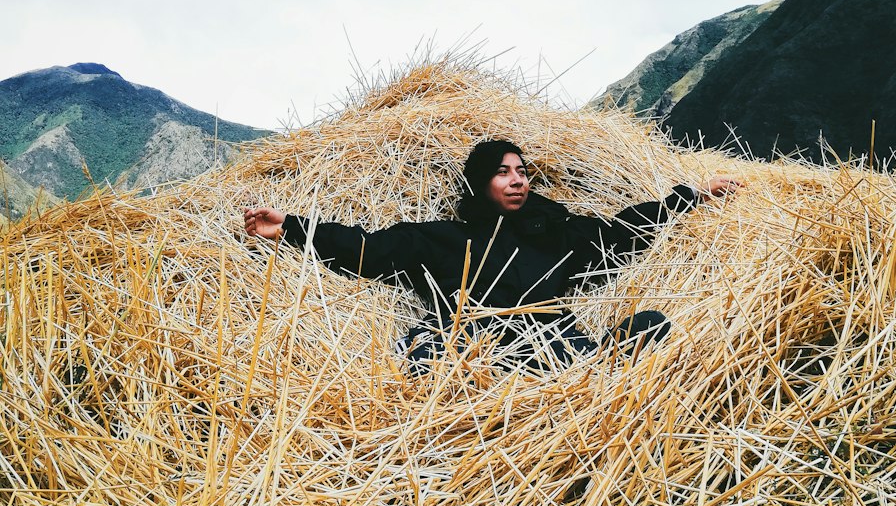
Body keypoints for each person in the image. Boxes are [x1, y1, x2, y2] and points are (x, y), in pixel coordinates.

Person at [244, 138, 741, 372]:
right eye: (504, 172)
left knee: (650, 323)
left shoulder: (557, 233)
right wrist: (289, 227)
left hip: (550, 338)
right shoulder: (440, 238)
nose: (518, 178)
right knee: (425, 355)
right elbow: (367, 249)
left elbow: (621, 232)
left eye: (522, 170)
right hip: (469, 340)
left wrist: (692, 195)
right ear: (480, 182)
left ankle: (592, 374)